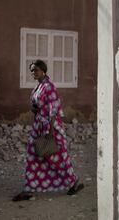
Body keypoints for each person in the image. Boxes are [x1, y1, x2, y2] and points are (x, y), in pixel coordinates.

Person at [13, 59, 83, 201]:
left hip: (51, 127)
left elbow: (54, 109)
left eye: (36, 70)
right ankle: (29, 189)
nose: (33, 72)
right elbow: (38, 105)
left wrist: (50, 131)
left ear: (43, 71)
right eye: (32, 70)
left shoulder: (49, 86)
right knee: (33, 155)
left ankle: (73, 182)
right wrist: (35, 109)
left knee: (57, 157)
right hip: (39, 125)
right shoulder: (39, 87)